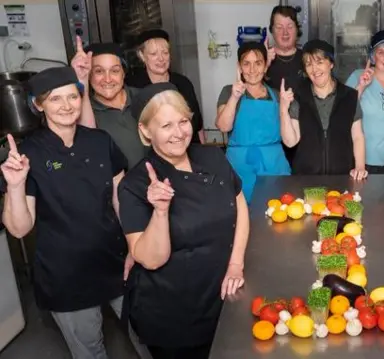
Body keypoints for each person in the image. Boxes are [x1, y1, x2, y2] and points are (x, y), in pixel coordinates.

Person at [1, 67, 131, 359]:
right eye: (55, 99)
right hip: (66, 275)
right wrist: (16, 185)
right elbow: (20, 229)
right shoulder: (29, 154)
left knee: (147, 330)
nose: (66, 106)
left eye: (72, 96)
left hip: (116, 261)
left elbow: (121, 200)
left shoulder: (100, 141)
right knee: (90, 350)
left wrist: (136, 246)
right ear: (38, 104)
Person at [118, 83, 248, 359]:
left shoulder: (212, 156)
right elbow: (151, 259)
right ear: (145, 131)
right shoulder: (136, 184)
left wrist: (236, 264)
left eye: (183, 121)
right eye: (166, 126)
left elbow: (239, 204)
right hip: (174, 314)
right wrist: (160, 211)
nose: (179, 133)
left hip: (223, 296)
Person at [279, 39, 367, 179]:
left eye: (319, 62)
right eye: (309, 64)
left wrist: (360, 167)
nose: (314, 70)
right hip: (305, 180)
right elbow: (290, 142)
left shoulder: (350, 96)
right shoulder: (298, 97)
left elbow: (357, 136)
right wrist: (283, 109)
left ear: (331, 64)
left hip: (342, 179)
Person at [215, 42, 290, 202]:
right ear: (239, 67)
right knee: (241, 219)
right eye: (246, 64)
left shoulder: (277, 96)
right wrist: (235, 97)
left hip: (274, 168)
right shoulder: (229, 91)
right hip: (238, 170)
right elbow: (223, 126)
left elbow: (289, 137)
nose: (252, 70)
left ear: (265, 66)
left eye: (258, 63)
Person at [69, 36, 146, 169]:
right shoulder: (84, 111)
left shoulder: (144, 97)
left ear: (124, 73)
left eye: (115, 71)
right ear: (89, 75)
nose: (108, 79)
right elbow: (88, 147)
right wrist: (81, 80)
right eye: (99, 71)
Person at [126, 28, 205, 145]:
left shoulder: (183, 83)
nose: (161, 59)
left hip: (188, 147)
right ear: (142, 56)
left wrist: (203, 151)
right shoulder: (134, 85)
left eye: (165, 52)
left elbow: (197, 123)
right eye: (153, 54)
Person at [345, 30, 384, 173]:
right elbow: (343, 114)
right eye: (381, 52)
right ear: (372, 57)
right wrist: (361, 87)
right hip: (364, 163)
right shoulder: (357, 77)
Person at [265, 5, 305, 166]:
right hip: (270, 138)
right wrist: (264, 64)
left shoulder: (307, 59)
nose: (285, 32)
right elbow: (246, 91)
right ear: (272, 30)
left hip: (304, 138)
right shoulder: (261, 61)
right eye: (279, 27)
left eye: (290, 26)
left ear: (297, 29)